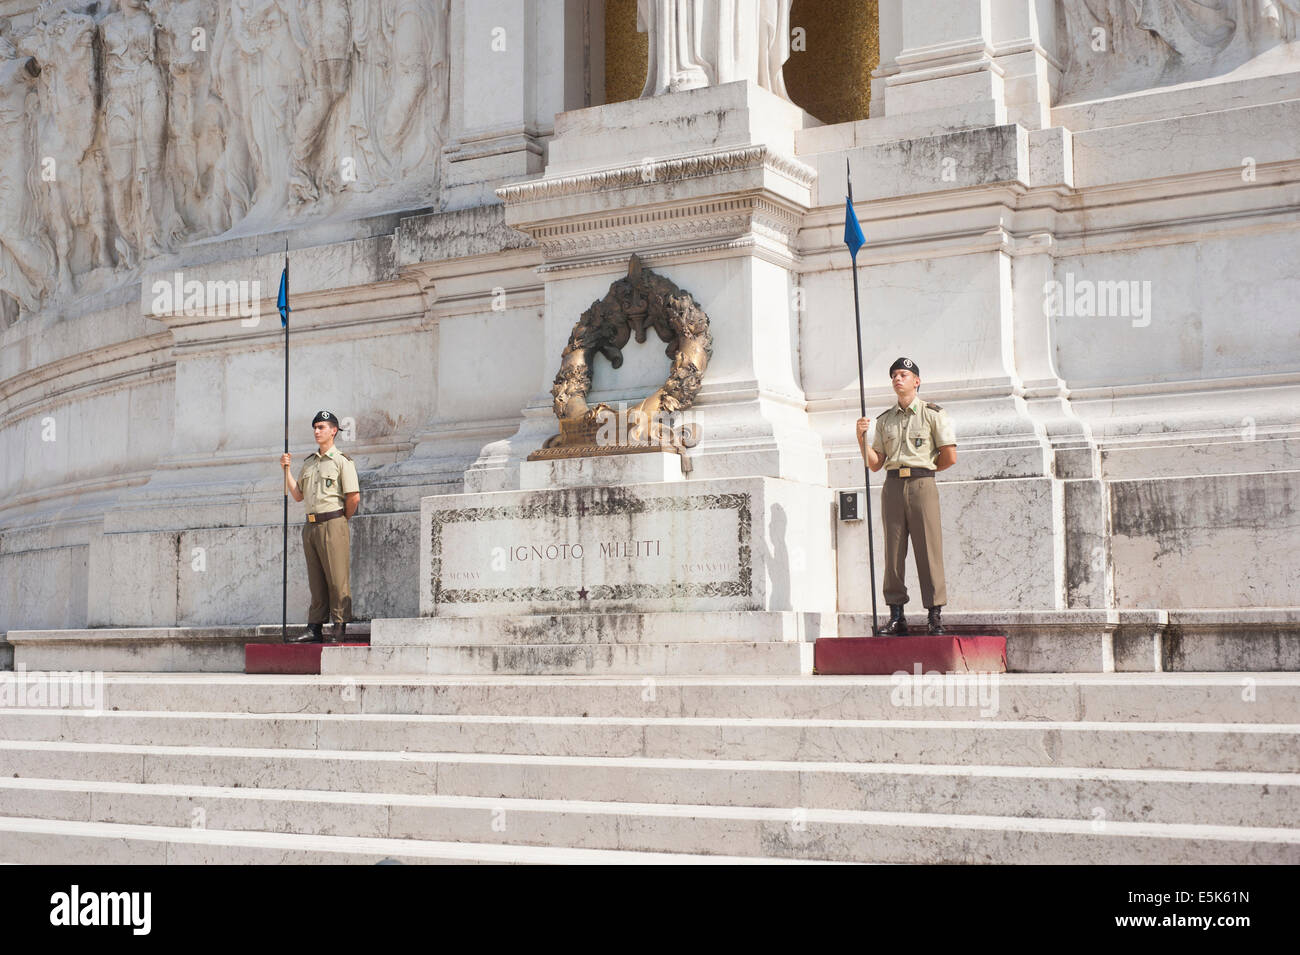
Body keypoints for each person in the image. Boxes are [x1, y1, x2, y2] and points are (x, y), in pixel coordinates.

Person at [855, 358, 957, 635]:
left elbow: (949, 456)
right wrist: (860, 437)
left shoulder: (932, 414)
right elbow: (875, 463)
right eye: (894, 376)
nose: (898, 379)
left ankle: (934, 615)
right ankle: (897, 615)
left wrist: (925, 471)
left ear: (917, 380)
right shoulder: (884, 420)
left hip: (922, 484)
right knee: (893, 552)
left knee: (929, 551)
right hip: (892, 487)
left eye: (904, 374)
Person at [280, 411, 360, 643]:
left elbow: (353, 497)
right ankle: (314, 627)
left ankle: (339, 626)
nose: (317, 431)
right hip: (311, 525)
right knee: (316, 579)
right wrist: (286, 470)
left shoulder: (341, 461)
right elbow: (297, 495)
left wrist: (340, 519)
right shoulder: (309, 463)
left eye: (322, 427)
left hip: (333, 522)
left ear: (334, 430)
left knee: (337, 578)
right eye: (315, 427)